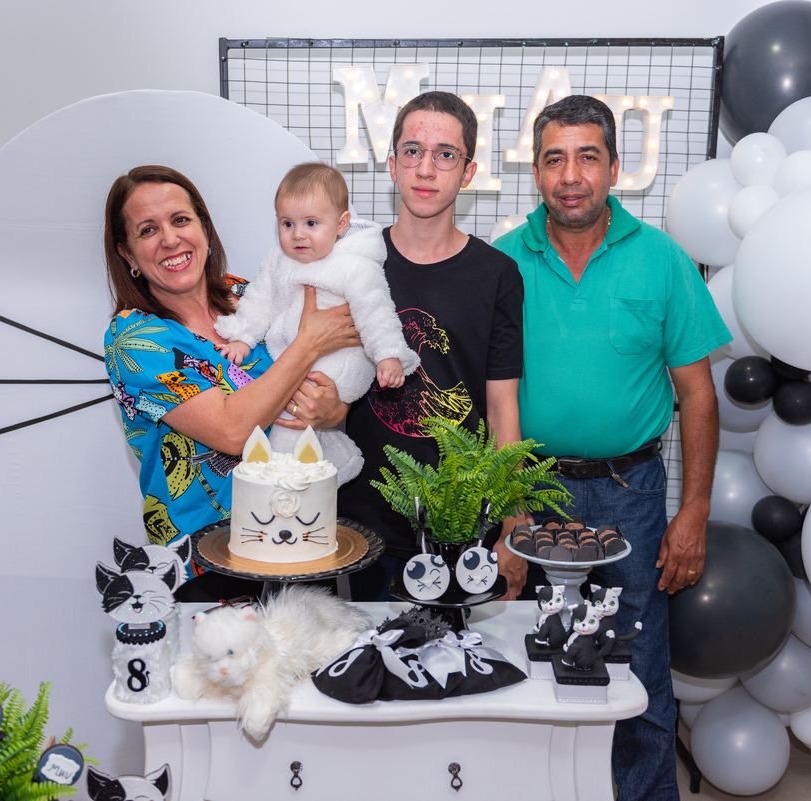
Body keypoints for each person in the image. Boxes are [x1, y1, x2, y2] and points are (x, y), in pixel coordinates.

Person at [492, 94, 731, 801]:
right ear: (536, 172)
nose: (571, 176)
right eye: (554, 159)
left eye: (587, 157)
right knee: (532, 666)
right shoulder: (503, 264)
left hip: (630, 498)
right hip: (530, 494)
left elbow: (698, 395)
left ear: (616, 168)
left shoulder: (661, 260)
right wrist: (506, 509)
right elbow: (490, 400)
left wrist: (694, 511)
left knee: (636, 673)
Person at [289, 91, 526, 600]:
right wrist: (329, 408)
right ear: (393, 165)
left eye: (445, 154)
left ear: (468, 172)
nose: (426, 168)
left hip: (461, 523)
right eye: (413, 151)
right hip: (355, 523)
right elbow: (308, 362)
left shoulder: (498, 275)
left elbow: (502, 407)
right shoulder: (348, 263)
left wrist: (512, 519)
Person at [102, 165, 359, 599]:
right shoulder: (134, 339)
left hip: (300, 531)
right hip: (207, 559)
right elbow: (231, 431)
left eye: (180, 220)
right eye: (148, 230)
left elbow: (328, 369)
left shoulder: (247, 294)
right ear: (128, 254)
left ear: (204, 228)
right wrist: (308, 342)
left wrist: (334, 408)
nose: (170, 239)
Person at [214, 162, 420, 483]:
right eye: (287, 223)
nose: (298, 234)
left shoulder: (354, 265)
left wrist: (388, 355)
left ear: (341, 224)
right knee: (283, 405)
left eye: (311, 223)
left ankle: (292, 479)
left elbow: (376, 311)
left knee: (289, 420)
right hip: (298, 352)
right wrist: (243, 336)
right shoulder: (278, 260)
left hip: (344, 361)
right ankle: (330, 459)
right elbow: (259, 299)